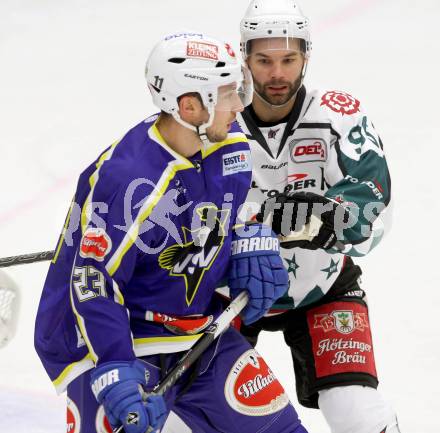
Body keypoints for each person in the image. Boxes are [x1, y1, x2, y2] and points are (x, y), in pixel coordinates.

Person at [34, 32, 309, 433]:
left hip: (197, 328)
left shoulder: (230, 146)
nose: (240, 106)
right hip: (109, 340)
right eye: (229, 94)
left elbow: (229, 216)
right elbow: (92, 281)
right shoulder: (130, 181)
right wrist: (113, 367)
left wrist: (248, 240)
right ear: (190, 105)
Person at [233, 1, 401, 432]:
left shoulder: (338, 113)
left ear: (306, 57)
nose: (277, 74)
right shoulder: (218, 118)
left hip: (322, 286)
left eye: (289, 60)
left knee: (358, 415)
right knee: (191, 417)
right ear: (244, 58)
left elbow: (373, 200)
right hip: (230, 292)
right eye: (264, 60)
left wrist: (322, 216)